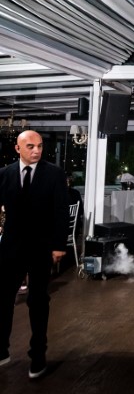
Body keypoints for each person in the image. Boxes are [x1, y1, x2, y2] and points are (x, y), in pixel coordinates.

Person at [0, 130, 69, 379]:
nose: (37, 150)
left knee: (38, 302)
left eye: (39, 146)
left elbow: (61, 210)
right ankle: (1, 349)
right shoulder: (4, 174)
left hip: (41, 247)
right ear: (18, 148)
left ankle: (38, 355)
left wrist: (59, 245)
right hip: (11, 247)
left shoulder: (54, 174)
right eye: (30, 146)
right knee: (3, 298)